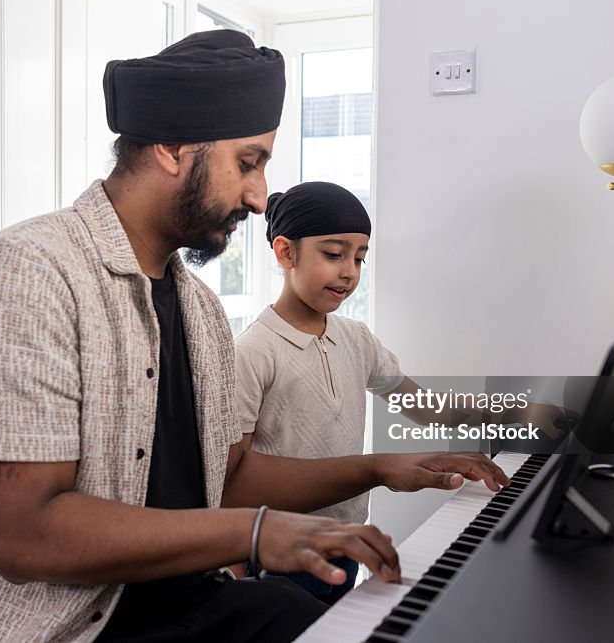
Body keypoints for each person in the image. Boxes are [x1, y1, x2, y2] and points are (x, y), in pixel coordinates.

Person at [0, 30, 510, 643]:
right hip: (54, 626)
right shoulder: (28, 273)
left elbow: (228, 480)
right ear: (171, 148)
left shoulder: (200, 309)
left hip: (178, 598)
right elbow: (24, 535)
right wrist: (255, 532)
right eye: (248, 162)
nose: (260, 196)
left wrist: (379, 466)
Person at [235, 181, 573, 604]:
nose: (349, 272)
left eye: (359, 258)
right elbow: (233, 487)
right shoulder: (252, 353)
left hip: (347, 546)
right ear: (286, 252)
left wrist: (518, 412)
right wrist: (236, 579)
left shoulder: (356, 339)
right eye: (334, 254)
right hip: (279, 558)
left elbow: (431, 409)